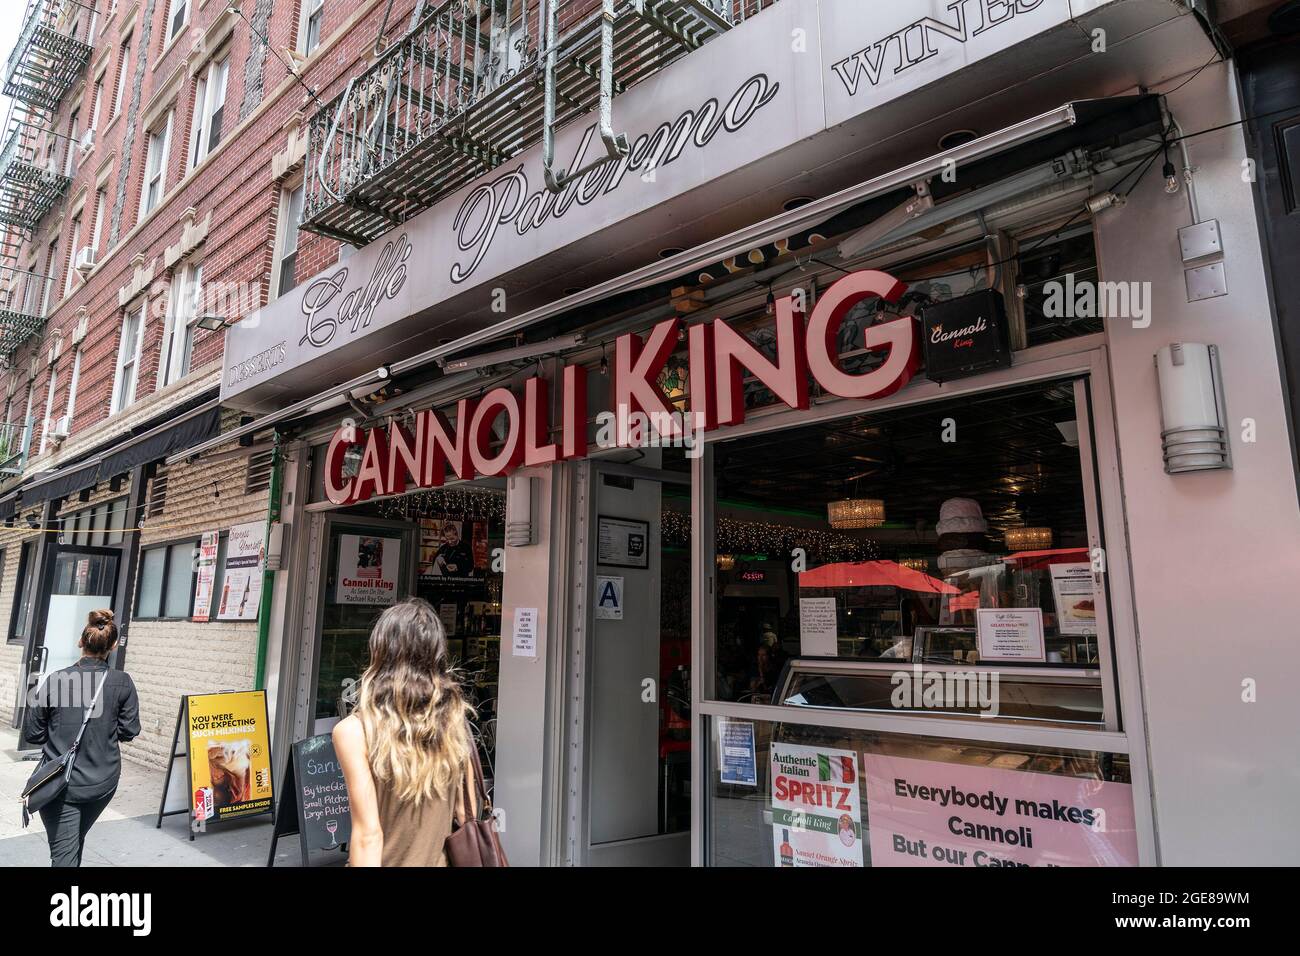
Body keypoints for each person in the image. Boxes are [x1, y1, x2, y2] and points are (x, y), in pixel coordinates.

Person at [333, 598, 475, 866]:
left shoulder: (354, 731)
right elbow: (467, 815)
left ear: (380, 651)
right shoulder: (456, 723)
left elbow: (368, 836)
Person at [24, 609, 140, 867]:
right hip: (103, 783)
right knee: (72, 843)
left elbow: (33, 733)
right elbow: (129, 731)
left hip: (59, 786)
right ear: (112, 646)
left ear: (81, 642)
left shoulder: (56, 680)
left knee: (64, 854)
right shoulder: (122, 682)